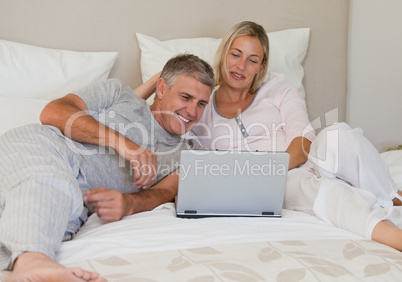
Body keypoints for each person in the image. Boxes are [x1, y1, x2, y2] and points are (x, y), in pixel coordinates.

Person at [138, 21, 402, 251]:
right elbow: (137, 113)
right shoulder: (200, 105)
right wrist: (156, 79)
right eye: (236, 54)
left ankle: (391, 196)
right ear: (224, 54)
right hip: (277, 185)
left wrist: (268, 168)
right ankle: (394, 231)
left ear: (262, 65)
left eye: (252, 60)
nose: (240, 66)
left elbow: (304, 140)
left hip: (302, 160)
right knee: (326, 192)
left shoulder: (278, 89)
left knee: (338, 134)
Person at [0, 54, 215, 281]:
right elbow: (54, 111)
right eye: (185, 97)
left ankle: (26, 265)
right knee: (48, 181)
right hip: (43, 149)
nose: (192, 111)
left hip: (77, 200)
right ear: (161, 89)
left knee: (57, 210)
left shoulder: (190, 153)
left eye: (201, 104)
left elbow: (165, 192)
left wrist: (127, 204)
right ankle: (34, 261)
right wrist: (123, 144)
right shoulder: (120, 94)